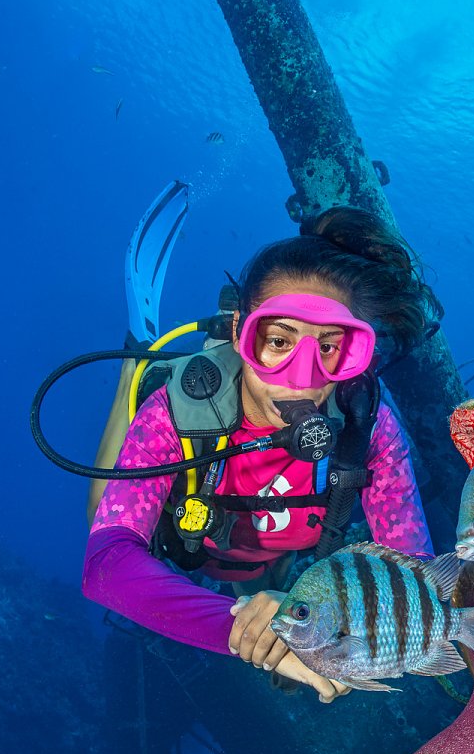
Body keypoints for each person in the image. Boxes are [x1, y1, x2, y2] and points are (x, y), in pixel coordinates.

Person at [82, 206, 435, 702]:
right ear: (239, 334)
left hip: (273, 559)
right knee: (99, 510)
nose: (303, 377)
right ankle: (135, 371)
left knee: (272, 593)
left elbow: (414, 572)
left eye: (330, 348)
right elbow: (106, 565)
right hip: (189, 541)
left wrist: (290, 632)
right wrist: (256, 639)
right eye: (277, 341)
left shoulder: (367, 425)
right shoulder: (178, 411)